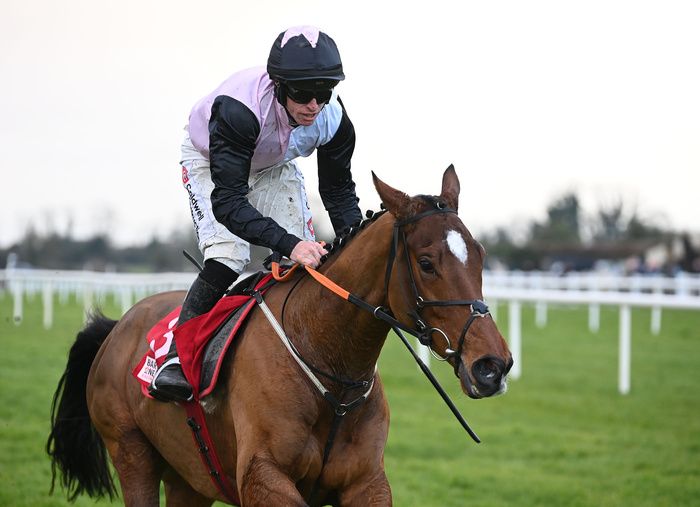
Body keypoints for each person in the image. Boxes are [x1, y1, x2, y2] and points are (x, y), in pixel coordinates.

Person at [149, 26, 363, 402]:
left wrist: (359, 245)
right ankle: (175, 360)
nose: (314, 105)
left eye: (324, 92)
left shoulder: (334, 120)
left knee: (307, 260)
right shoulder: (240, 109)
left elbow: (338, 192)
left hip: (271, 165)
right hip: (211, 162)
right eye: (302, 93)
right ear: (278, 86)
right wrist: (290, 243)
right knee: (229, 257)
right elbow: (229, 204)